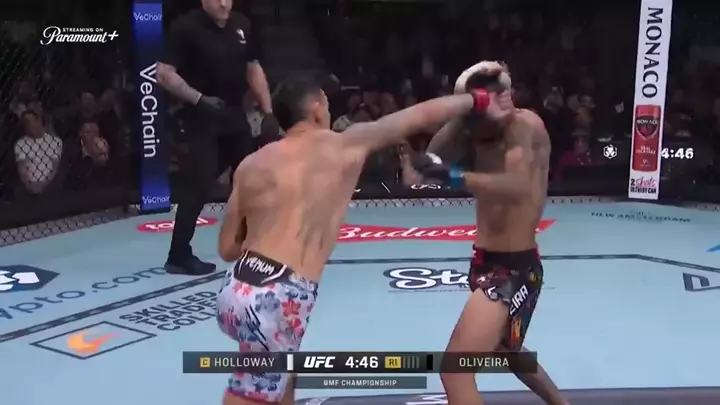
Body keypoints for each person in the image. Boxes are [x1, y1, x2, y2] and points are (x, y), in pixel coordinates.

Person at [214, 74, 503, 405]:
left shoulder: (251, 164)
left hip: (236, 287)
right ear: (316, 108)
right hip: (278, 295)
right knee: (250, 392)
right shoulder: (343, 145)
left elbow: (227, 248)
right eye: (326, 103)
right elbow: (419, 115)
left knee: (282, 370)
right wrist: (478, 99)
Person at [404, 61, 569, 405]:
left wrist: (455, 176)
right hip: (484, 262)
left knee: (454, 370)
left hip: (513, 272)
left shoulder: (526, 126)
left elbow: (517, 186)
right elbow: (428, 162)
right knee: (507, 351)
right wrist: (461, 112)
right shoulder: (476, 128)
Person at [157, 0, 276, 275]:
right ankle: (178, 255)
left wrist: (268, 109)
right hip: (201, 117)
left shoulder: (242, 24)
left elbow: (253, 67)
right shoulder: (186, 27)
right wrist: (199, 99)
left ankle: (252, 243)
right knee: (198, 185)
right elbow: (163, 73)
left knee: (249, 177)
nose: (224, 3)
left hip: (233, 114)